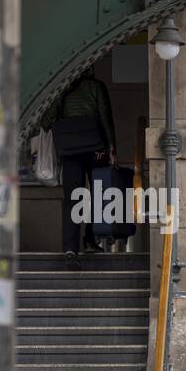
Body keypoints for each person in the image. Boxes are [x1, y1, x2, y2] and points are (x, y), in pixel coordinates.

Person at [38, 67, 116, 263]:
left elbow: (46, 122)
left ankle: (70, 248)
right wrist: (112, 147)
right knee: (98, 192)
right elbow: (105, 115)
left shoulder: (61, 88)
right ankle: (91, 241)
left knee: (72, 199)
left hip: (71, 151)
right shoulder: (96, 87)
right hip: (96, 150)